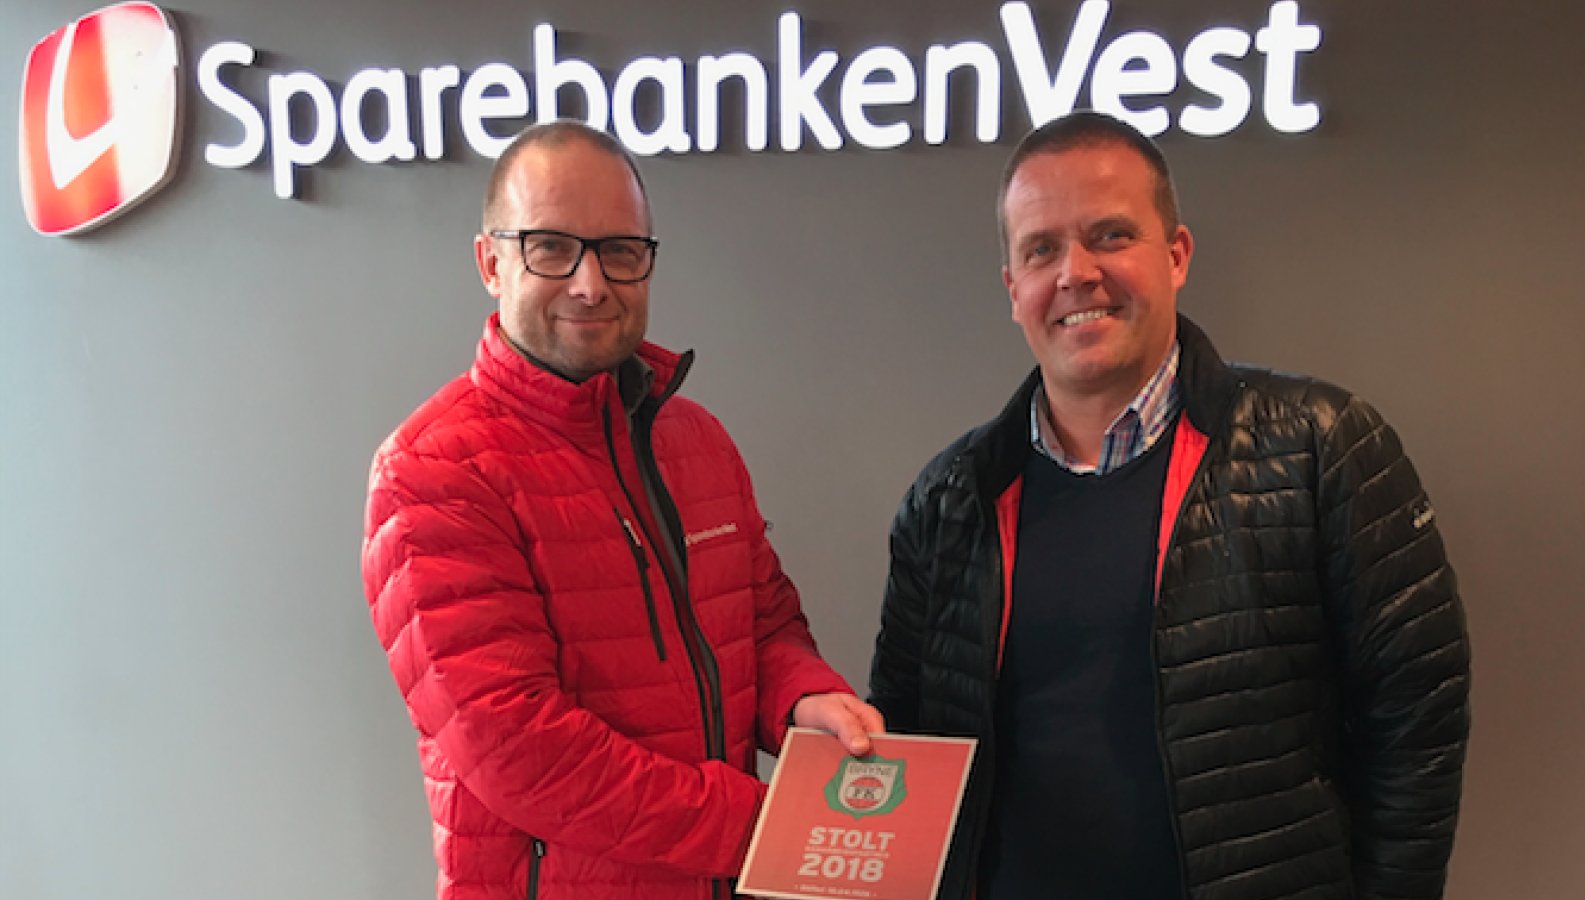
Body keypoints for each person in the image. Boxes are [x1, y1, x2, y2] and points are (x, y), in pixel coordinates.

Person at [868, 111, 1469, 900]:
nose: (1076, 273)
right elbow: (906, 731)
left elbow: (1418, 717)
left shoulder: (1319, 447)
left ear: (1176, 254)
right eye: (1042, 249)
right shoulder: (948, 499)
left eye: (1110, 236)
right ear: (1013, 288)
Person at [361, 120, 882, 900]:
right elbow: (520, 750)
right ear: (491, 263)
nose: (590, 283)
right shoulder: (433, 470)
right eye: (551, 247)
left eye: (619, 250)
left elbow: (763, 620)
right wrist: (764, 828)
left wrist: (803, 697)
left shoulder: (698, 441)